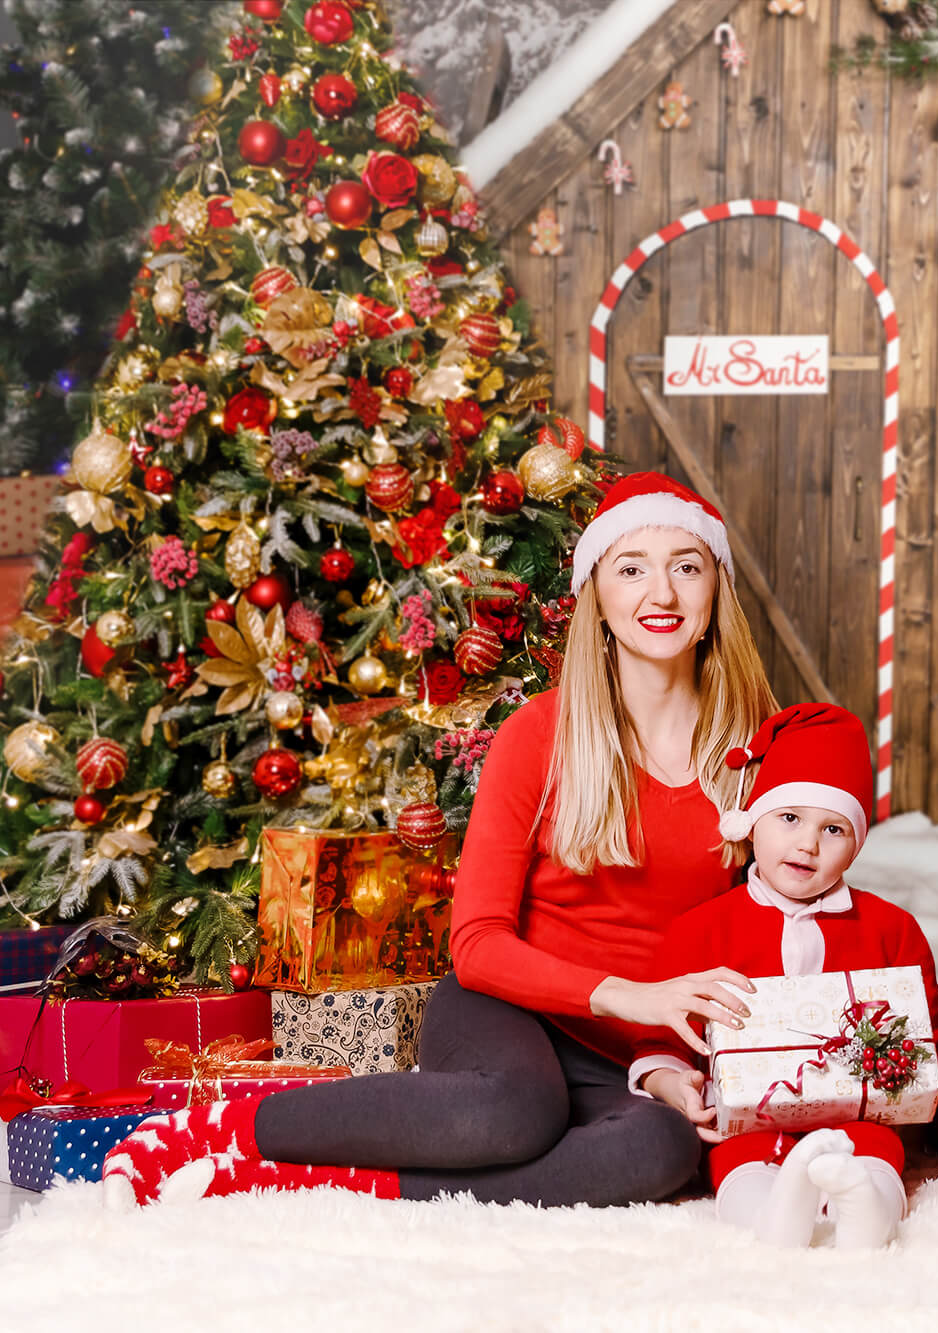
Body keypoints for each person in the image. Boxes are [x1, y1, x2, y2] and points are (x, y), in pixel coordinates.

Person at [103, 472, 776, 1208]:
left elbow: (775, 936)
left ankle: (322, 1181)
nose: (663, 593)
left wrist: (673, 1067)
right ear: (598, 600)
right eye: (631, 567)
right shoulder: (539, 735)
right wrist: (630, 996)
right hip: (509, 1014)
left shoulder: (762, 751)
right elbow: (478, 944)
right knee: (510, 1113)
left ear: (716, 593)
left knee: (659, 1151)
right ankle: (223, 1131)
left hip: (635, 1056)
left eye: (686, 565)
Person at [633, 702, 938, 1249]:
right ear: (753, 821)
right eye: (789, 818)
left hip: (860, 1120)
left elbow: (928, 1044)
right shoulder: (701, 930)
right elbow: (658, 1039)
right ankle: (770, 1219)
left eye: (833, 828)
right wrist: (671, 1084)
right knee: (735, 1158)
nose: (807, 844)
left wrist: (904, 1082)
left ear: (857, 844)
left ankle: (868, 1214)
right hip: (747, 1122)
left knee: (877, 1150)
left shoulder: (893, 931)